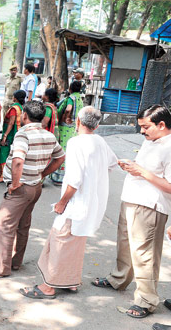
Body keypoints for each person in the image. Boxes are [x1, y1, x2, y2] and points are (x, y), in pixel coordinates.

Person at [20, 107, 117, 299]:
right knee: (76, 243)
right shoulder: (100, 141)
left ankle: (48, 287)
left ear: (78, 122)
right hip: (91, 203)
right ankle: (71, 281)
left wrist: (62, 202)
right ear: (96, 126)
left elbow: (74, 180)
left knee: (60, 242)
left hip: (76, 203)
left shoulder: (76, 143)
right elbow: (112, 164)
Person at [93, 105, 171, 319]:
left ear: (162, 125)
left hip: (150, 206)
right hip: (131, 200)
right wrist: (132, 166)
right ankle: (119, 279)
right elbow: (146, 168)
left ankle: (146, 300)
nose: (142, 132)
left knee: (145, 256)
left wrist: (142, 172)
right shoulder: (151, 141)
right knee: (126, 245)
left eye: (146, 127)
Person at [0, 101, 65, 278]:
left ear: (24, 116)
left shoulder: (23, 135)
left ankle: (0, 268)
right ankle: (15, 263)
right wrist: (41, 174)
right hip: (35, 187)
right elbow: (60, 157)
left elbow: (18, 160)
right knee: (23, 225)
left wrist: (15, 184)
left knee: (5, 225)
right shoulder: (48, 135)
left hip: (21, 187)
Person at [51, 81, 84, 184]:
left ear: (70, 88)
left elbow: (68, 108)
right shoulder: (80, 98)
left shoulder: (71, 98)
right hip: (74, 127)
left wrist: (65, 117)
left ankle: (59, 177)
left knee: (61, 150)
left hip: (66, 127)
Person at [0, 90, 25, 183]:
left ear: (15, 98)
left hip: (9, 133)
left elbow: (11, 123)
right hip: (17, 132)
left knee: (4, 154)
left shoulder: (13, 108)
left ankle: (2, 175)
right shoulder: (21, 107)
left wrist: (5, 135)